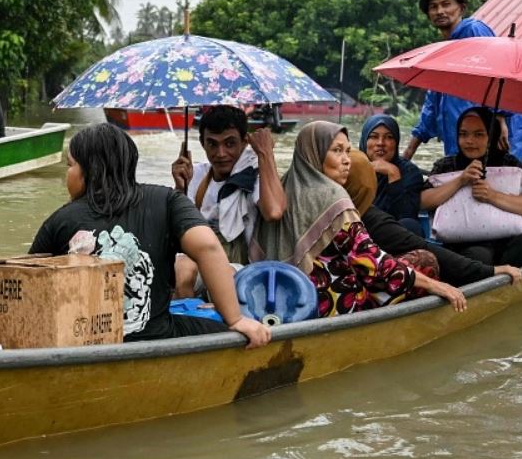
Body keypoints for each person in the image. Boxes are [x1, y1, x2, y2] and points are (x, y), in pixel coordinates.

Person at [29, 122, 271, 349]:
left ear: (89, 170)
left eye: (70, 165)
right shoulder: (167, 200)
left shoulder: (60, 220)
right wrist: (236, 319)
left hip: (82, 342)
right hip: (157, 335)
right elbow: (208, 248)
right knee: (228, 333)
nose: (67, 175)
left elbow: (26, 282)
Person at [252, 121, 466, 317]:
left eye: (347, 151)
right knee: (423, 260)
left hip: (279, 298)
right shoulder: (333, 196)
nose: (347, 160)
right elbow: (373, 262)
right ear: (314, 154)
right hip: (328, 304)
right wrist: (436, 285)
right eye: (336, 151)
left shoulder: (283, 188)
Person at [402, 0, 522, 164]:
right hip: (463, 136)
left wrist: (499, 119)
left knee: (499, 180)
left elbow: (496, 72)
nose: (440, 11)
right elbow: (432, 104)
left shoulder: (473, 30)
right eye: (433, 7)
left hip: (497, 130)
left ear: (461, 8)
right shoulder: (443, 51)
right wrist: (408, 152)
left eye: (446, 4)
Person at [344, 147, 522, 288]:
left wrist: (490, 194)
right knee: (425, 260)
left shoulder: (405, 173)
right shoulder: (366, 217)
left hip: (396, 239)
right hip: (349, 284)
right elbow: (414, 245)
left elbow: (408, 218)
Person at [170, 105, 286, 296]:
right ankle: (184, 321)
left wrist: (265, 153)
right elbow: (177, 231)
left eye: (230, 144)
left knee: (214, 275)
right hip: (198, 261)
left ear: (244, 142)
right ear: (202, 143)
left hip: (241, 268)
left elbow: (274, 211)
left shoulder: (254, 176)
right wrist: (179, 189)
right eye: (212, 144)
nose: (221, 153)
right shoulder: (196, 174)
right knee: (179, 269)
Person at [420, 106, 522, 267]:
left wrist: (492, 195)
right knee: (478, 256)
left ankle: (504, 279)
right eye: (463, 134)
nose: (469, 141)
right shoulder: (447, 165)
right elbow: (422, 201)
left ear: (491, 137)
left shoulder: (509, 164)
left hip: (507, 241)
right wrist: (460, 180)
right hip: (463, 244)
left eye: (478, 134)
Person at [359, 114, 424, 236]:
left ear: (396, 142)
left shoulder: (409, 172)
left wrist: (393, 174)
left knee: (411, 225)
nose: (381, 143)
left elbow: (406, 215)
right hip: (358, 234)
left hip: (390, 237)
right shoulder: (352, 167)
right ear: (364, 140)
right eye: (374, 136)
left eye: (389, 137)